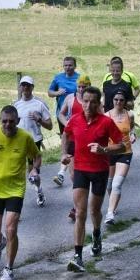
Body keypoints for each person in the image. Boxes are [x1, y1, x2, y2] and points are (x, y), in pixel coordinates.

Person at [61, 86, 125, 272]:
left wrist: (104, 150)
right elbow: (66, 134)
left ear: (99, 103)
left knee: (94, 210)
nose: (88, 105)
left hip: (99, 171)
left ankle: (96, 234)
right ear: (82, 100)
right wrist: (64, 154)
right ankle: (78, 256)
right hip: (80, 169)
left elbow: (121, 145)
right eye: (86, 101)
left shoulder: (106, 122)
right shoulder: (75, 120)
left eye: (93, 102)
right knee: (80, 212)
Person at [0, 105, 42, 280]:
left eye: (11, 121)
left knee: (11, 228)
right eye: (4, 121)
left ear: (18, 121)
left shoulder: (25, 138)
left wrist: (34, 170)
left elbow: (37, 156)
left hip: (15, 189)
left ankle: (8, 269)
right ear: (0, 121)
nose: (7, 125)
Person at [14, 75, 53, 207]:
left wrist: (39, 119)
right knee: (15, 172)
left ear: (32, 87)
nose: (25, 88)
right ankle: (15, 199)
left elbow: (50, 125)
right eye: (23, 85)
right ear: (20, 87)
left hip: (33, 141)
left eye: (28, 85)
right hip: (17, 142)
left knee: (33, 174)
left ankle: (39, 191)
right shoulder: (15, 105)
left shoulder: (39, 104)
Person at [58, 75, 92, 222]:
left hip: (87, 141)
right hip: (72, 140)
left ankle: (77, 206)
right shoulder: (70, 99)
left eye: (84, 87)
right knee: (73, 176)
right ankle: (77, 205)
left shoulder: (93, 101)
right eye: (79, 86)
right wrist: (67, 124)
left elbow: (102, 116)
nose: (81, 89)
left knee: (84, 175)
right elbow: (61, 113)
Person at [104, 90, 136, 224]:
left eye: (121, 100)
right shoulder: (106, 116)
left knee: (117, 184)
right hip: (110, 152)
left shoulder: (130, 114)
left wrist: (133, 134)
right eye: (116, 99)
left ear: (125, 102)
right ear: (112, 100)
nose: (118, 102)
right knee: (110, 185)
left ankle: (109, 214)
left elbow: (132, 127)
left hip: (125, 152)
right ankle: (113, 205)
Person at [48, 57, 79, 187]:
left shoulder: (79, 79)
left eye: (70, 65)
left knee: (75, 142)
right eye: (65, 65)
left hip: (77, 117)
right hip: (62, 116)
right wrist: (57, 93)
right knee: (66, 141)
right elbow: (50, 92)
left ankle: (66, 171)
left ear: (75, 66)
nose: (68, 67)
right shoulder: (58, 78)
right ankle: (63, 171)